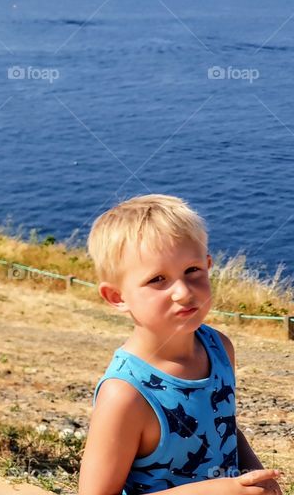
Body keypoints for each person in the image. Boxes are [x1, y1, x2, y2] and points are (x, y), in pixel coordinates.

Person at [78, 194, 281, 494]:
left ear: (208, 266)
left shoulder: (219, 348)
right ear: (117, 297)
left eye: (192, 271)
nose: (184, 293)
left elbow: (225, 428)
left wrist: (254, 474)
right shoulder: (125, 395)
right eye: (158, 279)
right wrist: (221, 491)